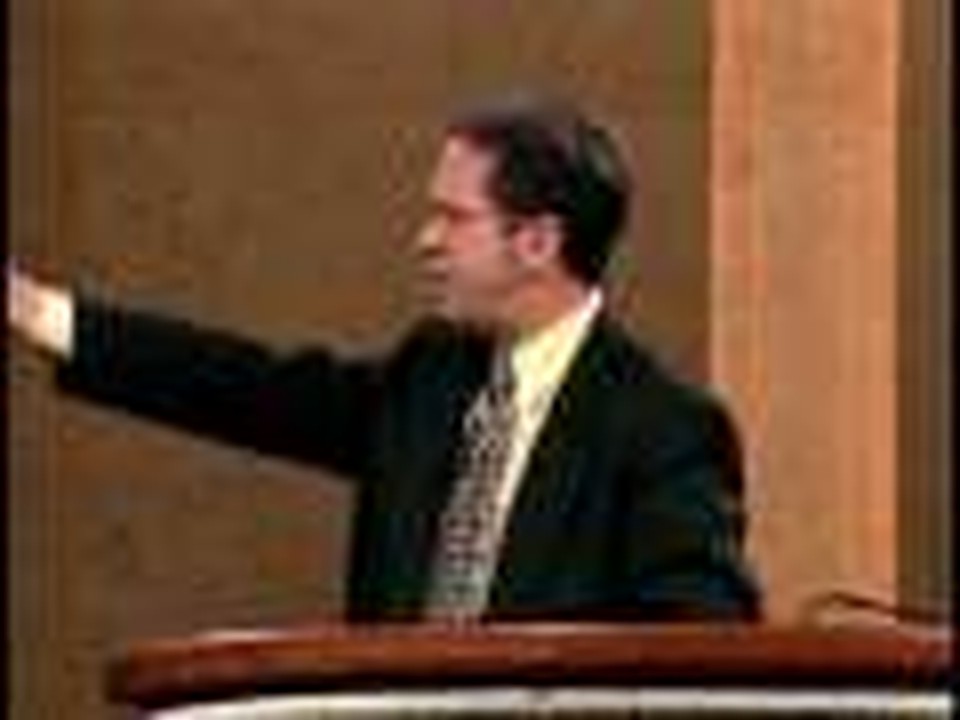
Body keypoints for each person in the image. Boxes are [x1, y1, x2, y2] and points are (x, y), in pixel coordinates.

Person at [8, 92, 761, 623]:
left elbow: (699, 648)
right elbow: (252, 389)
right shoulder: (430, 376)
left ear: (537, 242)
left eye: (453, 218)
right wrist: (38, 311)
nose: (425, 241)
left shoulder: (663, 429)